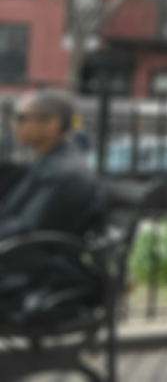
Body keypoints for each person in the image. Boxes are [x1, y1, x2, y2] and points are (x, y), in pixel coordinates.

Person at [0, 91, 103, 325]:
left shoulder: (62, 173)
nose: (13, 122)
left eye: (21, 116)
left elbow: (29, 228)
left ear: (51, 125)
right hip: (23, 263)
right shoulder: (45, 163)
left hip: (37, 276)